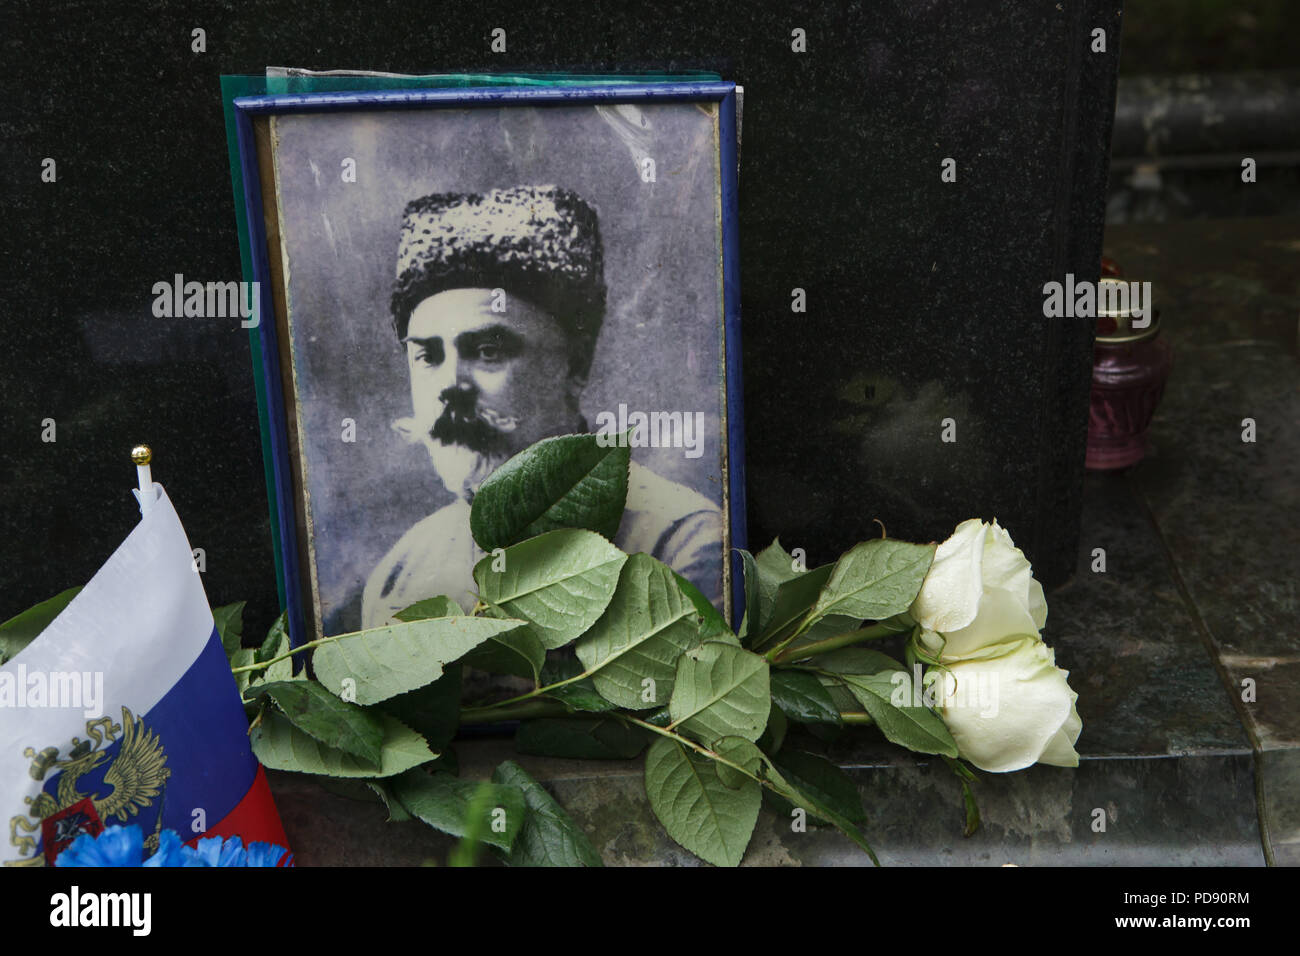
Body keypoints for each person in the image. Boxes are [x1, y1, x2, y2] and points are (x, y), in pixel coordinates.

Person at [359, 185, 723, 628]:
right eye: (428, 356)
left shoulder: (680, 543)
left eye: (489, 351)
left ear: (577, 365)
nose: (451, 387)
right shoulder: (400, 576)